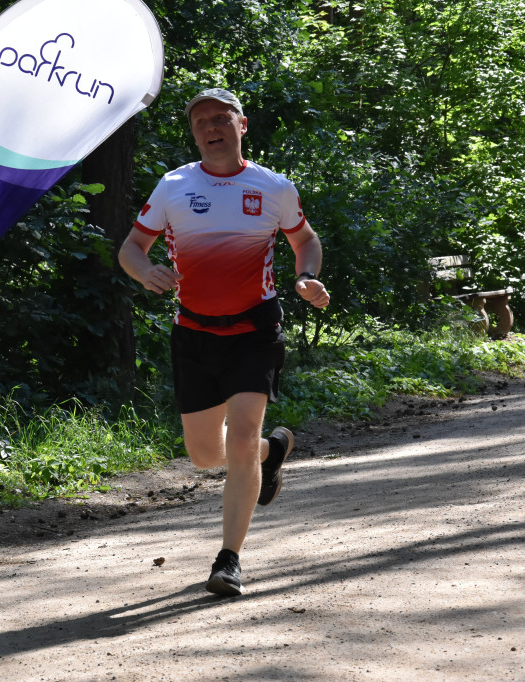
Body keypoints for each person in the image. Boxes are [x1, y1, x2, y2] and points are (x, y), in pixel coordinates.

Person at [118, 88, 330, 596]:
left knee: (237, 441)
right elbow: (131, 246)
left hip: (255, 330)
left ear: (242, 124)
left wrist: (304, 278)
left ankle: (228, 559)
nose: (211, 127)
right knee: (204, 455)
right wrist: (144, 270)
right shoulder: (173, 186)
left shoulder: (273, 188)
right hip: (193, 332)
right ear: (194, 135)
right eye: (200, 123)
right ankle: (270, 452)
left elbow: (305, 240)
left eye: (220, 118)